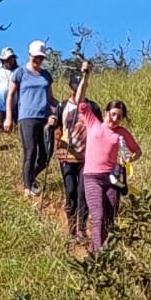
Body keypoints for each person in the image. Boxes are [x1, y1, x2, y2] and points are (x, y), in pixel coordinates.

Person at [74, 61, 142, 251]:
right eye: (113, 114)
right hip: (92, 177)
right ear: (106, 113)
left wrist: (130, 159)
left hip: (112, 178)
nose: (115, 118)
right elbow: (80, 99)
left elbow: (137, 151)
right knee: (98, 215)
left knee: (109, 219)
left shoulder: (122, 133)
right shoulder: (93, 123)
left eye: (119, 116)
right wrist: (86, 75)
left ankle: (97, 250)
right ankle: (98, 255)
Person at [4, 40, 57, 197]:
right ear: (29, 55)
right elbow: (10, 95)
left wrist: (63, 107)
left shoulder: (46, 75)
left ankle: (30, 177)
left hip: (45, 118)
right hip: (27, 117)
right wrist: (8, 117)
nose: (38, 60)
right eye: (35, 56)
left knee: (46, 154)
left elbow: (51, 98)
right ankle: (27, 187)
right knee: (31, 150)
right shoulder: (20, 73)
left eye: (41, 57)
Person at [53, 72, 89, 241]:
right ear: (70, 88)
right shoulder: (62, 106)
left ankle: (81, 228)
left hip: (86, 157)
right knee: (71, 191)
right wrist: (56, 149)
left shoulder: (92, 107)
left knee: (83, 193)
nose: (77, 92)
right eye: (75, 88)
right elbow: (57, 130)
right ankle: (71, 227)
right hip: (66, 156)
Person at [0, 47, 18, 136]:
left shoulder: (18, 72)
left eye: (11, 59)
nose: (10, 61)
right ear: (2, 60)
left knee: (13, 130)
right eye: (7, 59)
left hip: (14, 106)